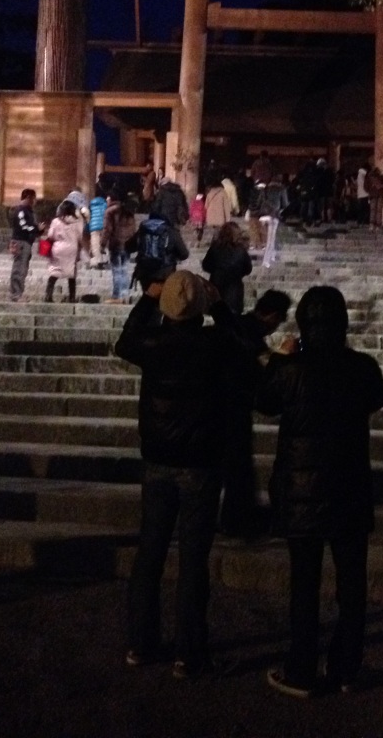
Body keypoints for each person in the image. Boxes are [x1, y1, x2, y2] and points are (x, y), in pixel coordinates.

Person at [256, 286, 383, 698]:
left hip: (302, 492)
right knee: (352, 583)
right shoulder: (362, 367)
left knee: (304, 582)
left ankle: (301, 669)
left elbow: (264, 400)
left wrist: (280, 358)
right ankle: (346, 667)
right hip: (349, 487)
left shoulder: (290, 369)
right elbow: (378, 397)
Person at [114, 270, 241, 679]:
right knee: (192, 560)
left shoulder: (152, 343)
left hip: (157, 460)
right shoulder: (214, 342)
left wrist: (148, 300)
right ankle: (189, 654)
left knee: (150, 552)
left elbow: (125, 341)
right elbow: (244, 344)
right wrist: (220, 305)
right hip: (201, 463)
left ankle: (141, 642)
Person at [220, 288, 293, 538]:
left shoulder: (243, 327)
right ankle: (237, 520)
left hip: (229, 406)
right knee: (238, 466)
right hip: (231, 408)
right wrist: (282, 356)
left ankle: (236, 517)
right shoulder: (247, 332)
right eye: (278, 320)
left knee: (237, 467)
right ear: (272, 315)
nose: (276, 326)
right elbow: (259, 369)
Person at [129, 207, 189, 291]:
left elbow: (129, 247)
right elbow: (184, 254)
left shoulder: (143, 230)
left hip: (145, 271)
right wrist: (173, 256)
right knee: (164, 296)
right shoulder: (171, 231)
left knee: (148, 296)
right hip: (165, 272)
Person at [201, 221, 252, 315]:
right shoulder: (241, 250)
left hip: (216, 288)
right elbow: (248, 269)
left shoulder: (215, 248)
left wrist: (216, 271)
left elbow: (206, 265)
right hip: (234, 291)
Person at [43, 200, 84, 303]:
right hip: (72, 248)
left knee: (55, 271)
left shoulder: (56, 221)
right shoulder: (77, 222)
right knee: (71, 273)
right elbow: (80, 237)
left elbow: (50, 235)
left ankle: (48, 295)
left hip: (58, 248)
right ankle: (72, 297)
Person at [104, 192, 139, 304]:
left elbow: (107, 229)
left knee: (117, 270)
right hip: (127, 244)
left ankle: (117, 295)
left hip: (115, 243)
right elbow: (133, 229)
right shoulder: (129, 211)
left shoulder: (111, 212)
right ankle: (125, 295)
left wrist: (102, 243)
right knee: (124, 269)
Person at [8, 189, 39, 301]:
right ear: (28, 198)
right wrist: (35, 228)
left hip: (27, 242)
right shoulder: (20, 211)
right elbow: (23, 226)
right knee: (19, 268)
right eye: (33, 198)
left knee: (23, 269)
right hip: (20, 241)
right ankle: (15, 293)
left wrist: (38, 230)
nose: (34, 201)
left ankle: (19, 292)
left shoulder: (29, 211)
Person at [253, 177, 288, 268]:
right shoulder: (281, 189)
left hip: (263, 216)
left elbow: (258, 203)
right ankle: (266, 260)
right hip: (273, 216)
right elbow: (285, 204)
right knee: (270, 239)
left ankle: (272, 255)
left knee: (270, 238)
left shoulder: (265, 189)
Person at [88, 187, 108, 268]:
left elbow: (89, 216)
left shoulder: (91, 205)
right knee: (104, 243)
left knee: (95, 244)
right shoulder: (105, 204)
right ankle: (105, 259)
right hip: (103, 226)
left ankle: (97, 260)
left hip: (94, 227)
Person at [363, 166, 383, 231]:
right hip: (381, 194)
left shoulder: (368, 177)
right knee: (379, 210)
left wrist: (370, 190)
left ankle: (372, 224)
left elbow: (365, 187)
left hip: (373, 195)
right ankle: (378, 225)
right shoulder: (381, 177)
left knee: (373, 210)